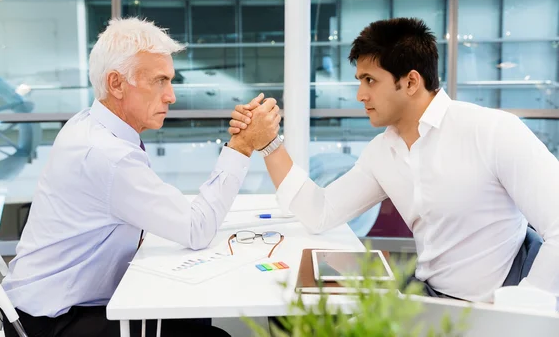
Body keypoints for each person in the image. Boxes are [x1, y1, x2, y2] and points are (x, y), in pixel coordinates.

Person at [229, 17, 559, 305]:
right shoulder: (382, 152)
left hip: (498, 306)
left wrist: (520, 312)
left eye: (369, 80)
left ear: (411, 82)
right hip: (430, 298)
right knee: (292, 316)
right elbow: (321, 211)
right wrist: (269, 143)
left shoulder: (492, 131)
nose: (360, 94)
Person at [0, 17, 281, 337]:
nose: (171, 95)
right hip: (56, 322)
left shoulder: (89, 124)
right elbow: (196, 228)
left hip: (45, 306)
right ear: (117, 83)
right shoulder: (107, 154)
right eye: (159, 81)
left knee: (193, 318)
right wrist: (242, 145)